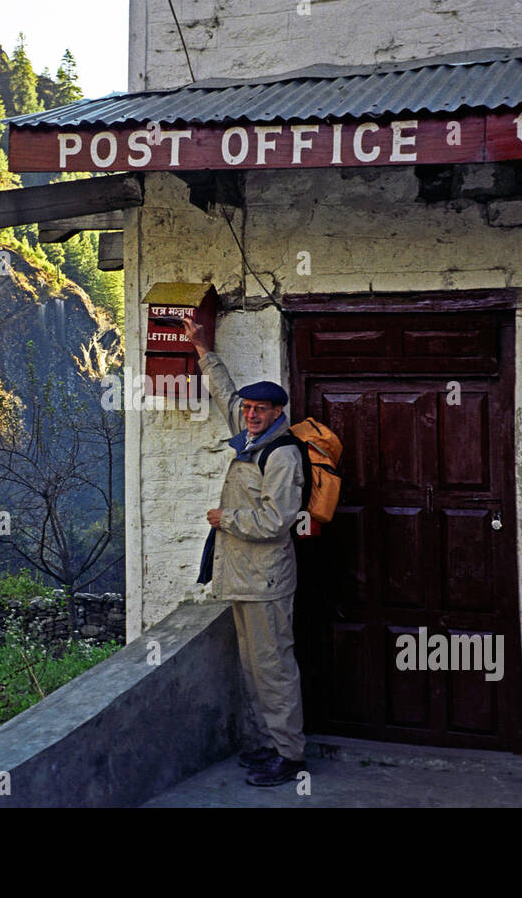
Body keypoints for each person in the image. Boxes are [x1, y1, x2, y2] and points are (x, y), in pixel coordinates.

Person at [181, 316, 307, 787]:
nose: (250, 413)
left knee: (273, 670)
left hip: (266, 580)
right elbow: (224, 392)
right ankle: (267, 748)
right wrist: (201, 347)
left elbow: (278, 521)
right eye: (249, 408)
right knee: (255, 669)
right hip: (243, 578)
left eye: (260, 409)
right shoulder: (253, 435)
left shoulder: (282, 455)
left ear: (277, 413)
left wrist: (225, 519)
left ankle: (290, 755)